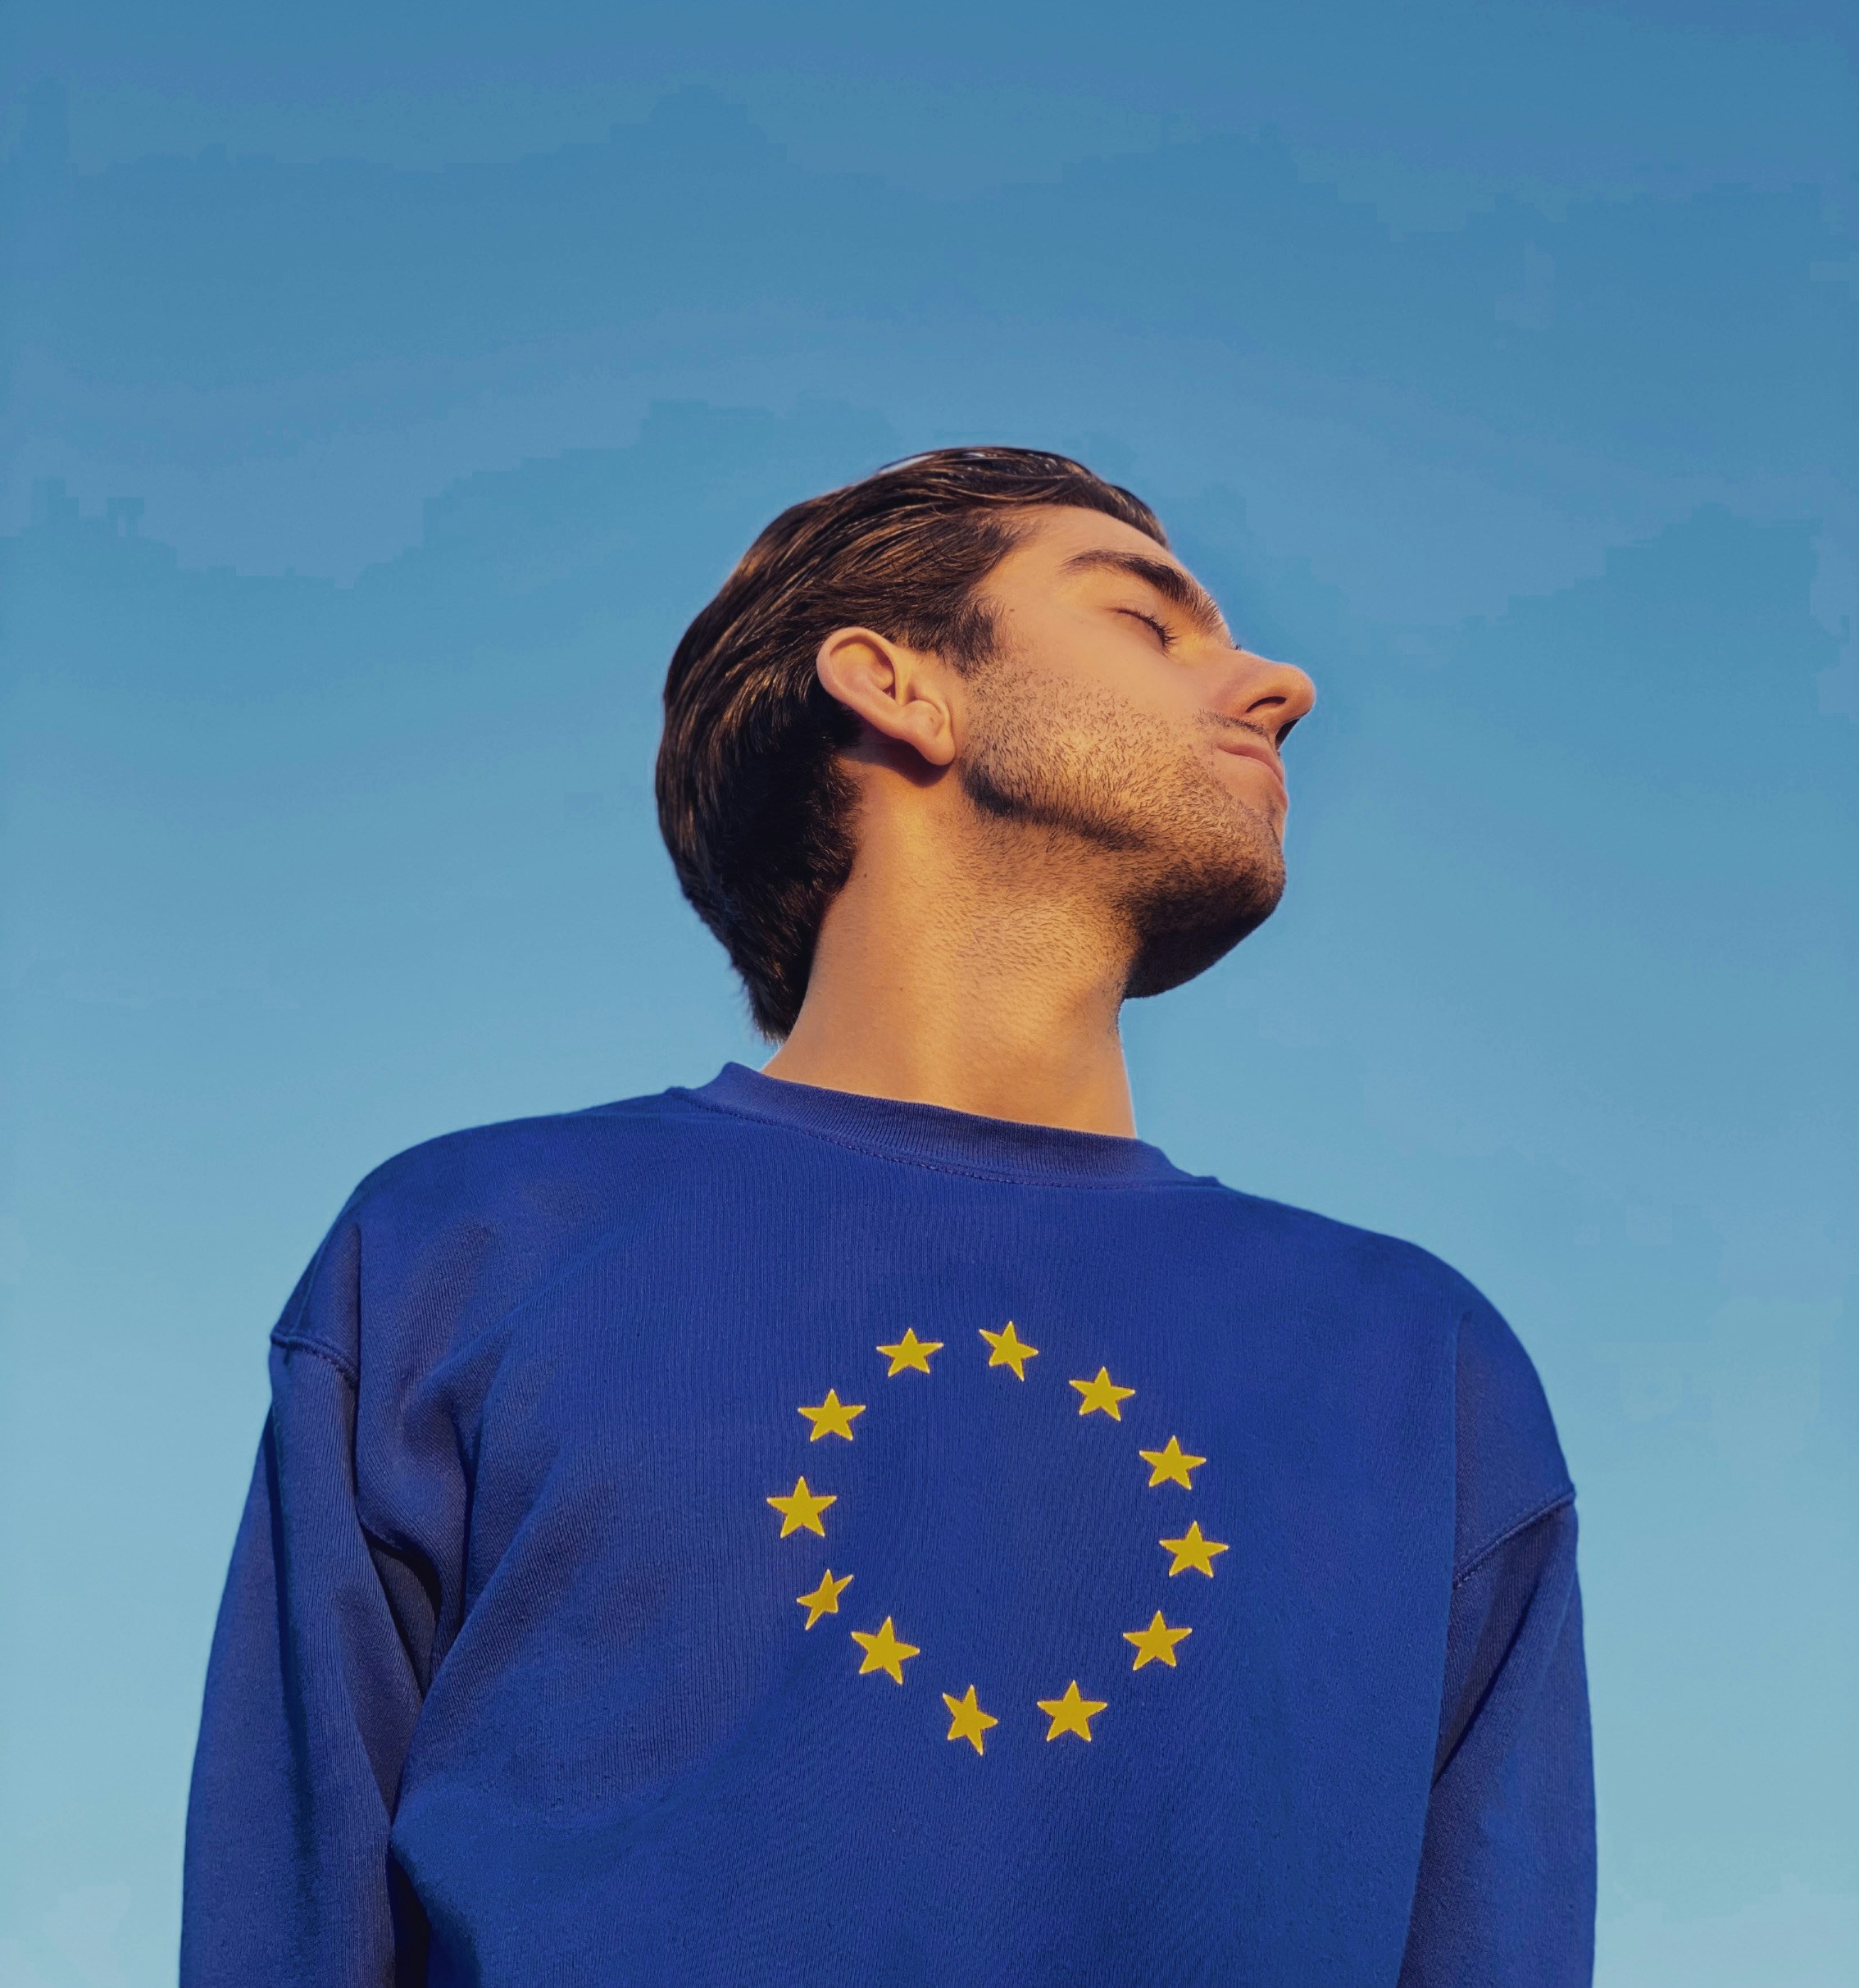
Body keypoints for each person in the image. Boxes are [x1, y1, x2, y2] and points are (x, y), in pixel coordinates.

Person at [182, 449, 1594, 1985]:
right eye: (1149, 620)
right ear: (894, 681)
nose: (1287, 684)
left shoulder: (1420, 1368)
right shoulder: (469, 1253)